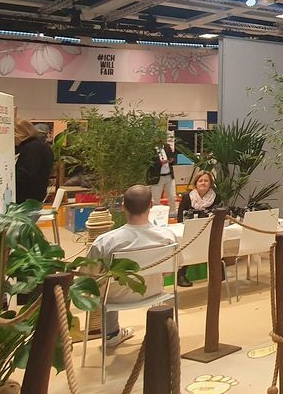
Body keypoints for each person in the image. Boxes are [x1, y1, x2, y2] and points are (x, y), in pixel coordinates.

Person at [88, 185, 175, 347]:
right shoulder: (167, 237)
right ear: (151, 205)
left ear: (123, 207)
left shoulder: (106, 241)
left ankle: (111, 334)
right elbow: (169, 272)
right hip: (153, 291)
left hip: (114, 297)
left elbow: (88, 276)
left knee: (105, 283)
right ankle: (158, 335)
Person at [175, 171, 219, 287]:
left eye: (206, 181)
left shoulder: (216, 197)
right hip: (189, 230)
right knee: (188, 243)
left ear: (210, 184)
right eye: (200, 181)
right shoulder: (187, 197)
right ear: (196, 183)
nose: (203, 183)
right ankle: (181, 274)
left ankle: (218, 270)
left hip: (209, 230)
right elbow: (180, 217)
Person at [14, 120, 54, 205]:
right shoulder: (43, 147)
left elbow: (24, 175)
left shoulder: (31, 148)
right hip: (36, 197)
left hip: (23, 199)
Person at [147, 142, 177, 217]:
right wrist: (160, 163)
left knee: (172, 196)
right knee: (156, 199)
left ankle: (172, 214)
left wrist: (171, 160)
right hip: (157, 177)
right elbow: (149, 163)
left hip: (169, 176)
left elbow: (174, 159)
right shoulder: (150, 148)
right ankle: (156, 216)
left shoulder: (166, 146)